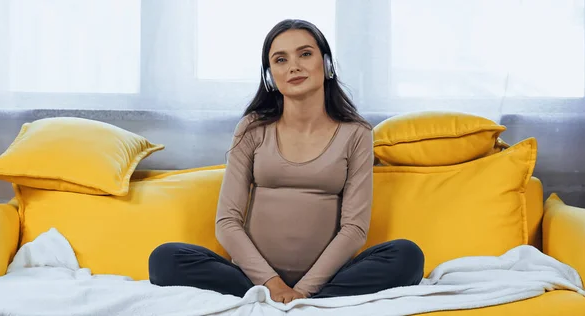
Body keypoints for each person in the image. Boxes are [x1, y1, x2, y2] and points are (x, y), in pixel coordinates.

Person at [148, 19, 424, 303]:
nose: (294, 66)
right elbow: (227, 222)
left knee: (407, 256)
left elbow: (354, 228)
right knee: (165, 259)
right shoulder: (252, 128)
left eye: (305, 54)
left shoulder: (357, 133)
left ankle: (304, 302)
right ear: (270, 77)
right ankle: (280, 298)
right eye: (281, 59)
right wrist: (274, 284)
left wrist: (303, 290)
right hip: (250, 279)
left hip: (330, 279)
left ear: (327, 64)